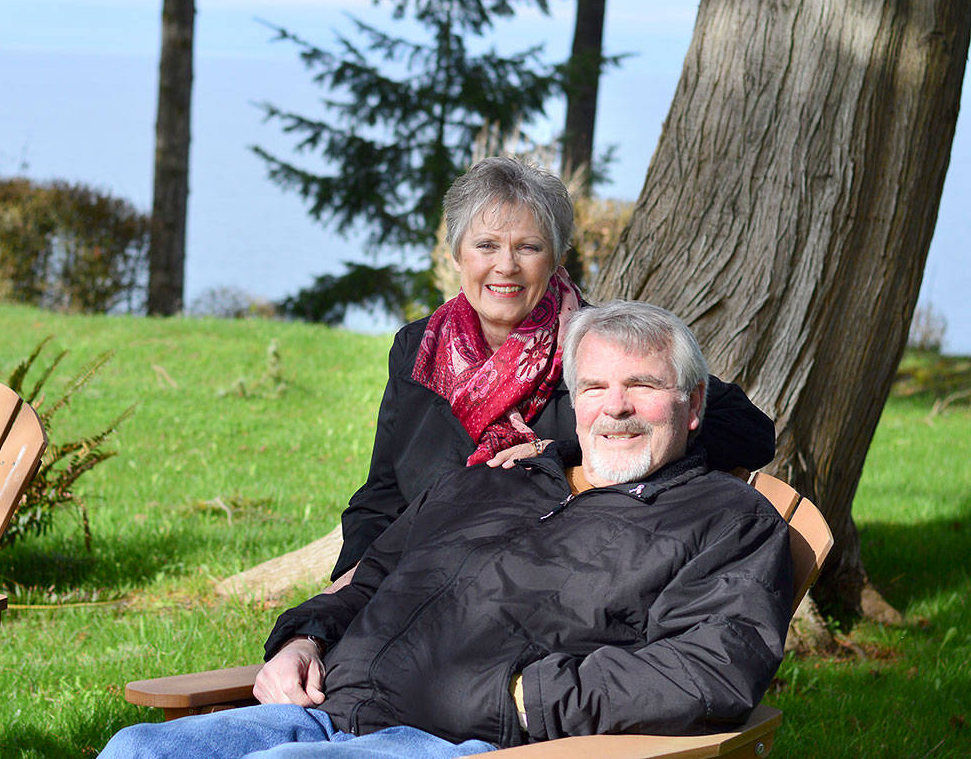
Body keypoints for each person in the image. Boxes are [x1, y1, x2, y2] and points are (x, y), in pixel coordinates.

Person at [100, 301, 794, 757]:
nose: (616, 408)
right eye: (594, 388)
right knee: (137, 748)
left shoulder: (724, 520)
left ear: (693, 402)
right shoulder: (490, 482)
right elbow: (369, 577)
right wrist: (301, 638)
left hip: (466, 741)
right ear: (573, 402)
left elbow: (708, 667)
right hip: (325, 711)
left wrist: (524, 697)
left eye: (641, 385)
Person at [332, 156, 776, 583]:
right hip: (419, 579)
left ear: (557, 257)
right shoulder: (418, 349)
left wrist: (566, 452)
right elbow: (382, 496)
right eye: (485, 245)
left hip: (552, 588)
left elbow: (750, 432)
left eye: (528, 247)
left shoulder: (602, 348)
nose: (505, 265)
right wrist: (346, 593)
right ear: (456, 255)